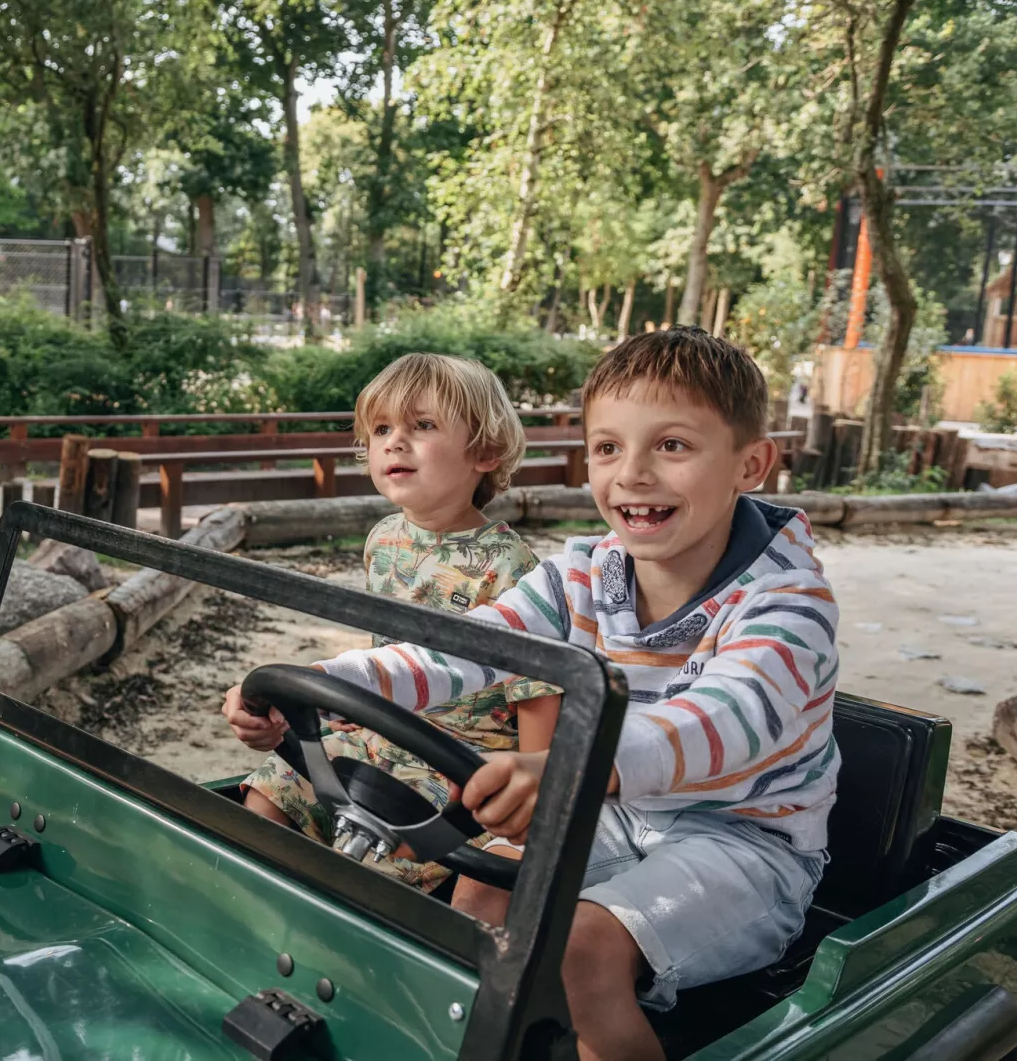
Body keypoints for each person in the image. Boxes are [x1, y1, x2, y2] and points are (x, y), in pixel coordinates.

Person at [230, 328, 839, 1061]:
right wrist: (330, 683)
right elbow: (470, 645)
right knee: (479, 900)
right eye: (609, 449)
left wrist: (567, 767)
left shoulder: (786, 601)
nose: (633, 475)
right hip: (613, 810)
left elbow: (725, 720)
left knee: (580, 954)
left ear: (753, 463)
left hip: (746, 840)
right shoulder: (583, 573)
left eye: (671, 447)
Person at [227, 352, 559, 891]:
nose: (393, 442)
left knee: (375, 865)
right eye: (380, 429)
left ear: (486, 451)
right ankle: (251, 903)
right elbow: (385, 651)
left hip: (461, 763)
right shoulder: (385, 539)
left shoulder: (508, 566)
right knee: (270, 790)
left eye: (422, 426)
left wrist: (525, 800)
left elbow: (538, 692)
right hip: (385, 735)